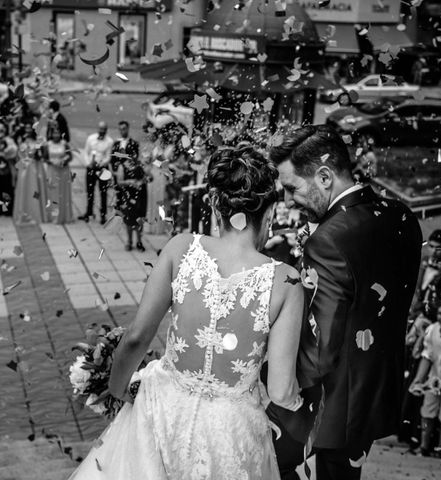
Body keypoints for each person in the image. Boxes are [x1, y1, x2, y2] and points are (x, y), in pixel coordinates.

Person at [69, 146, 304, 479]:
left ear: (213, 204)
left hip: (161, 412)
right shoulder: (286, 281)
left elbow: (136, 337)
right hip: (230, 430)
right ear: (269, 213)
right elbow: (281, 390)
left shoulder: (182, 248)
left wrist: (119, 391)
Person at [268, 124, 423, 480]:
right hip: (373, 398)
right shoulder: (401, 216)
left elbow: (318, 348)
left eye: (292, 188)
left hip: (327, 412)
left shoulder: (328, 240)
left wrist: (273, 381)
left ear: (324, 176)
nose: (288, 201)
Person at [409, 298, 441, 457]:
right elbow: (426, 356)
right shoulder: (432, 330)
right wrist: (419, 379)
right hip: (434, 377)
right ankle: (424, 446)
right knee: (427, 411)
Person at [111, 121, 145, 251]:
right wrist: (121, 177)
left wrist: (140, 182)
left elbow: (144, 177)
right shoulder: (116, 147)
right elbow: (113, 161)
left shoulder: (135, 149)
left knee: (139, 218)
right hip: (126, 191)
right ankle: (130, 241)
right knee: (128, 217)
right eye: (120, 129)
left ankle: (139, 241)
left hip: (139, 194)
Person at [80, 122, 114, 224]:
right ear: (98, 129)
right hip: (91, 167)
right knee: (90, 191)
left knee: (103, 192)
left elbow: (108, 156)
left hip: (102, 168)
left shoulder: (109, 141)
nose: (102, 131)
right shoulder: (91, 138)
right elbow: (86, 152)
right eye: (101, 129)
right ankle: (89, 212)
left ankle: (103, 214)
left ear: (106, 130)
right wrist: (88, 163)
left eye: (104, 129)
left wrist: (101, 163)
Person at [13, 124, 46, 224]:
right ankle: (23, 212)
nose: (27, 130)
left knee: (34, 190)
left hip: (33, 168)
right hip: (23, 169)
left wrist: (37, 154)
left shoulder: (37, 142)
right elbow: (18, 156)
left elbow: (42, 156)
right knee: (23, 189)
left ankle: (34, 212)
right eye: (26, 128)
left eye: (29, 128)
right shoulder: (21, 142)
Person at [42, 125, 73, 224]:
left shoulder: (65, 144)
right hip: (52, 170)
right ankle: (53, 216)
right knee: (52, 192)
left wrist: (64, 161)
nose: (56, 135)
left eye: (58, 133)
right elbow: (45, 157)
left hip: (63, 171)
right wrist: (52, 161)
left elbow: (70, 156)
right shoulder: (48, 144)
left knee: (63, 192)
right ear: (51, 134)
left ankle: (64, 215)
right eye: (54, 133)